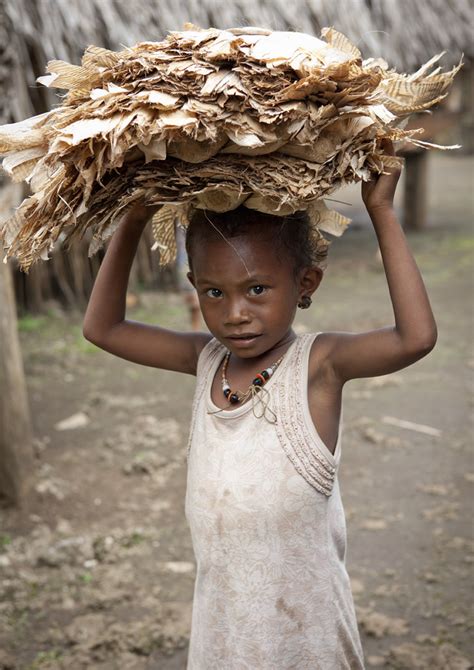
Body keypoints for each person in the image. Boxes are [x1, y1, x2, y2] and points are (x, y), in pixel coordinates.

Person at [82, 140, 437, 669]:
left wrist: (380, 210)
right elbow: (102, 328)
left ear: (305, 284)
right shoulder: (205, 361)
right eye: (214, 293)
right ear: (194, 289)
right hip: (222, 641)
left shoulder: (318, 367)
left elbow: (415, 338)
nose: (235, 314)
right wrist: (136, 210)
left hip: (306, 643)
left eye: (257, 289)